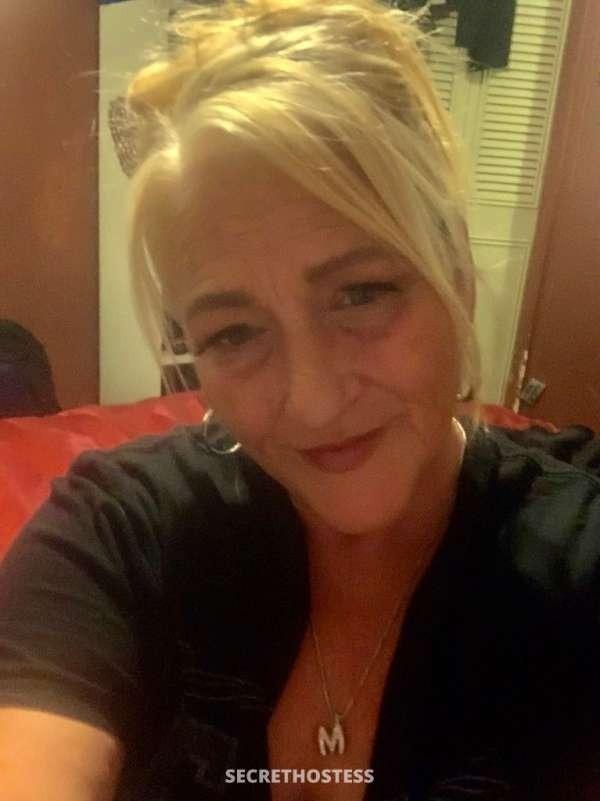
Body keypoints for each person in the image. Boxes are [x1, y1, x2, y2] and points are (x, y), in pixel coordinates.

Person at [0, 1, 599, 799]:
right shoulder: (117, 531)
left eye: (361, 293)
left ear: (454, 273)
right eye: (235, 333)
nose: (312, 402)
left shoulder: (579, 547)